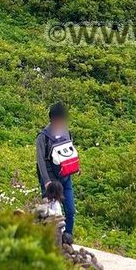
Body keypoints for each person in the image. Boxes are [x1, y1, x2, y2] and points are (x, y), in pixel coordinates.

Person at [35, 102, 77, 243]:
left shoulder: (66, 132)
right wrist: (46, 181)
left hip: (66, 177)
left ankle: (68, 237)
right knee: (52, 213)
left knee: (70, 210)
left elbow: (70, 151)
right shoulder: (43, 137)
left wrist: (77, 166)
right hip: (51, 181)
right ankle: (51, 240)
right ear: (52, 119)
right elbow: (40, 160)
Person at [34, 180, 66, 247]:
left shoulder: (56, 204)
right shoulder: (49, 202)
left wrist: (48, 211)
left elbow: (57, 214)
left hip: (57, 227)